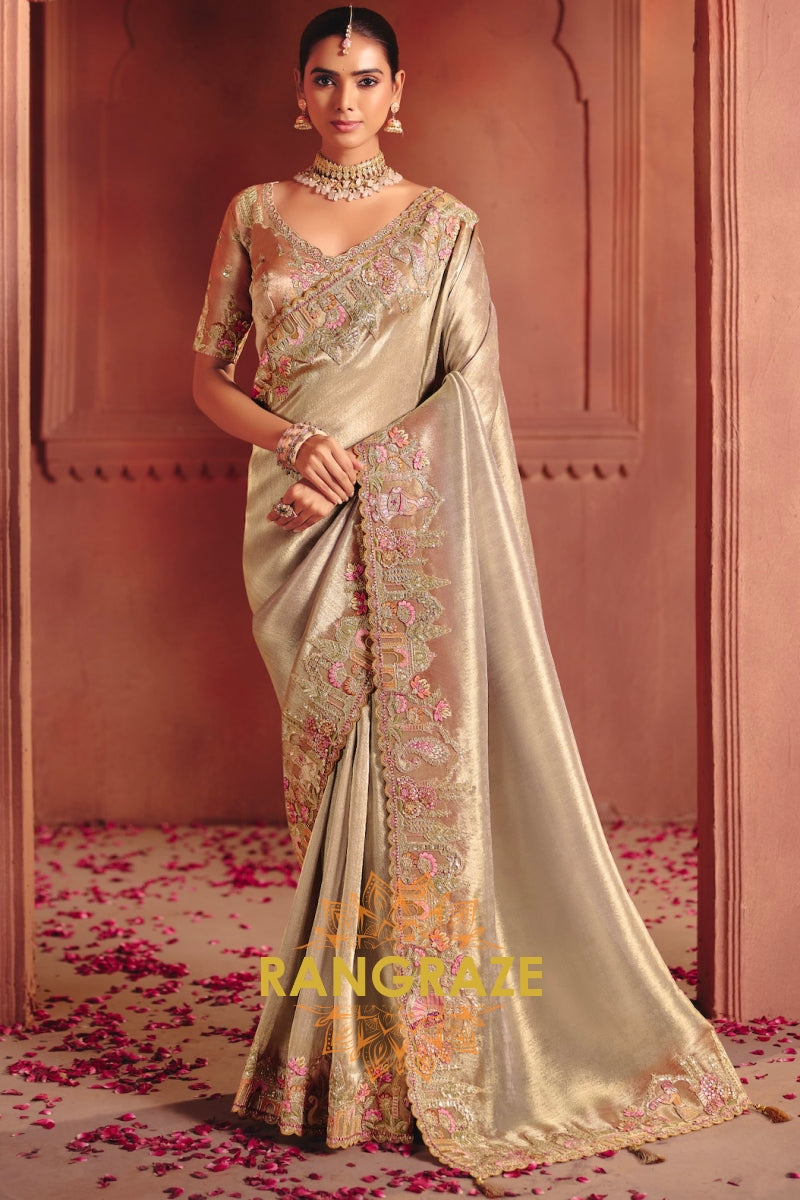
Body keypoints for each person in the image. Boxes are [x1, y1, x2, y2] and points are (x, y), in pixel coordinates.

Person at [191, 7, 785, 1194]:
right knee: (332, 785)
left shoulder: (442, 226)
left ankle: (397, 1065)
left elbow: (468, 394)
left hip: (398, 531)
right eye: (325, 77)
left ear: (397, 92)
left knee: (384, 782)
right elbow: (208, 377)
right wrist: (295, 444)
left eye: (366, 77)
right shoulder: (254, 213)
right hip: (293, 531)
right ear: (297, 93)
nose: (345, 97)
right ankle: (344, 1059)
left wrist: (359, 471)